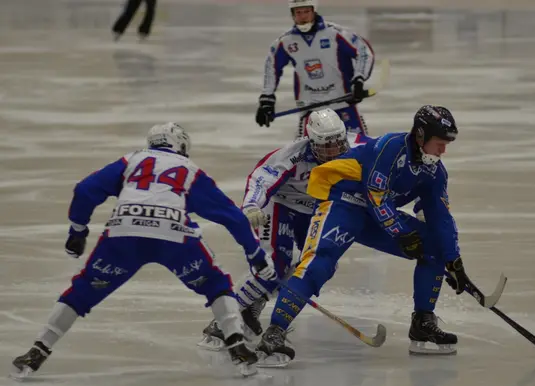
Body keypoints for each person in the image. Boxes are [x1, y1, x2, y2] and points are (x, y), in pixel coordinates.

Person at [10, 123, 278, 378]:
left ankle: (38, 350)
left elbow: (86, 189)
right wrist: (255, 254)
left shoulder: (131, 160)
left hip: (123, 233)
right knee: (215, 283)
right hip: (173, 234)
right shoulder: (189, 168)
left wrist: (77, 231)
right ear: (181, 146)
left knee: (82, 291)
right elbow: (231, 215)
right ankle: (236, 344)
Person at [246, 105, 476, 367]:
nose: (443, 150)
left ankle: (423, 322)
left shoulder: (435, 172)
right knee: (319, 262)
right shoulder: (391, 146)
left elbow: (441, 218)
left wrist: (453, 260)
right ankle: (275, 332)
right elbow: (376, 196)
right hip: (344, 205)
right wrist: (401, 233)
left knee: (433, 246)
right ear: (421, 136)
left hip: (374, 214)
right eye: (440, 143)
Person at [198, 108, 365, 350]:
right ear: (311, 141)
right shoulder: (293, 155)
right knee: (275, 263)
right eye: (325, 147)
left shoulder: (357, 147)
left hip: (318, 210)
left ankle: (256, 301)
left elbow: (383, 156)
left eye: (337, 144)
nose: (333, 152)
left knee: (320, 265)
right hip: (282, 207)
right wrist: (252, 205)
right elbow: (261, 177)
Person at [255, 0, 375, 137]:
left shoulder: (335, 34)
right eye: (298, 12)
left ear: (313, 11)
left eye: (306, 11)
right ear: (292, 15)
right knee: (308, 157)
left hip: (343, 106)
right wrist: (267, 99)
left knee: (361, 151)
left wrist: (358, 79)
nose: (303, 16)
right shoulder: (286, 41)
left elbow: (364, 52)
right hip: (311, 110)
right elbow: (271, 67)